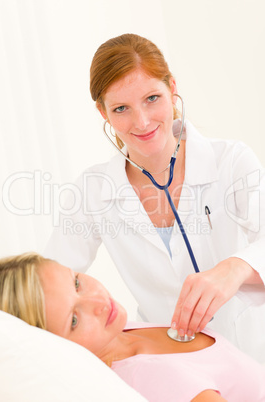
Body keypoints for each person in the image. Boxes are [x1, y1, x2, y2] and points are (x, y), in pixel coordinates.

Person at [44, 33, 265, 362]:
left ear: (172, 88)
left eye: (151, 98)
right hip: (166, 366)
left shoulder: (230, 161)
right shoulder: (92, 191)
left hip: (250, 350)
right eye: (121, 108)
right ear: (103, 113)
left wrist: (234, 269)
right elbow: (49, 284)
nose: (142, 122)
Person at [0, 253, 265, 402]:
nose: (97, 302)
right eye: (74, 320)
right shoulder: (149, 374)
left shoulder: (122, 332)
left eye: (76, 283)